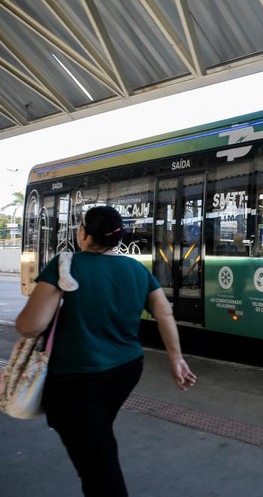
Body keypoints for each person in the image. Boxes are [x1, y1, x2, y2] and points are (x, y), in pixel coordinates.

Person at [15, 206, 196, 497]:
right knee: (95, 437)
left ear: (84, 234)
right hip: (126, 370)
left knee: (98, 466)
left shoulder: (65, 264)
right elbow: (164, 314)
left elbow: (30, 326)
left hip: (78, 377)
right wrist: (176, 359)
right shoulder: (136, 269)